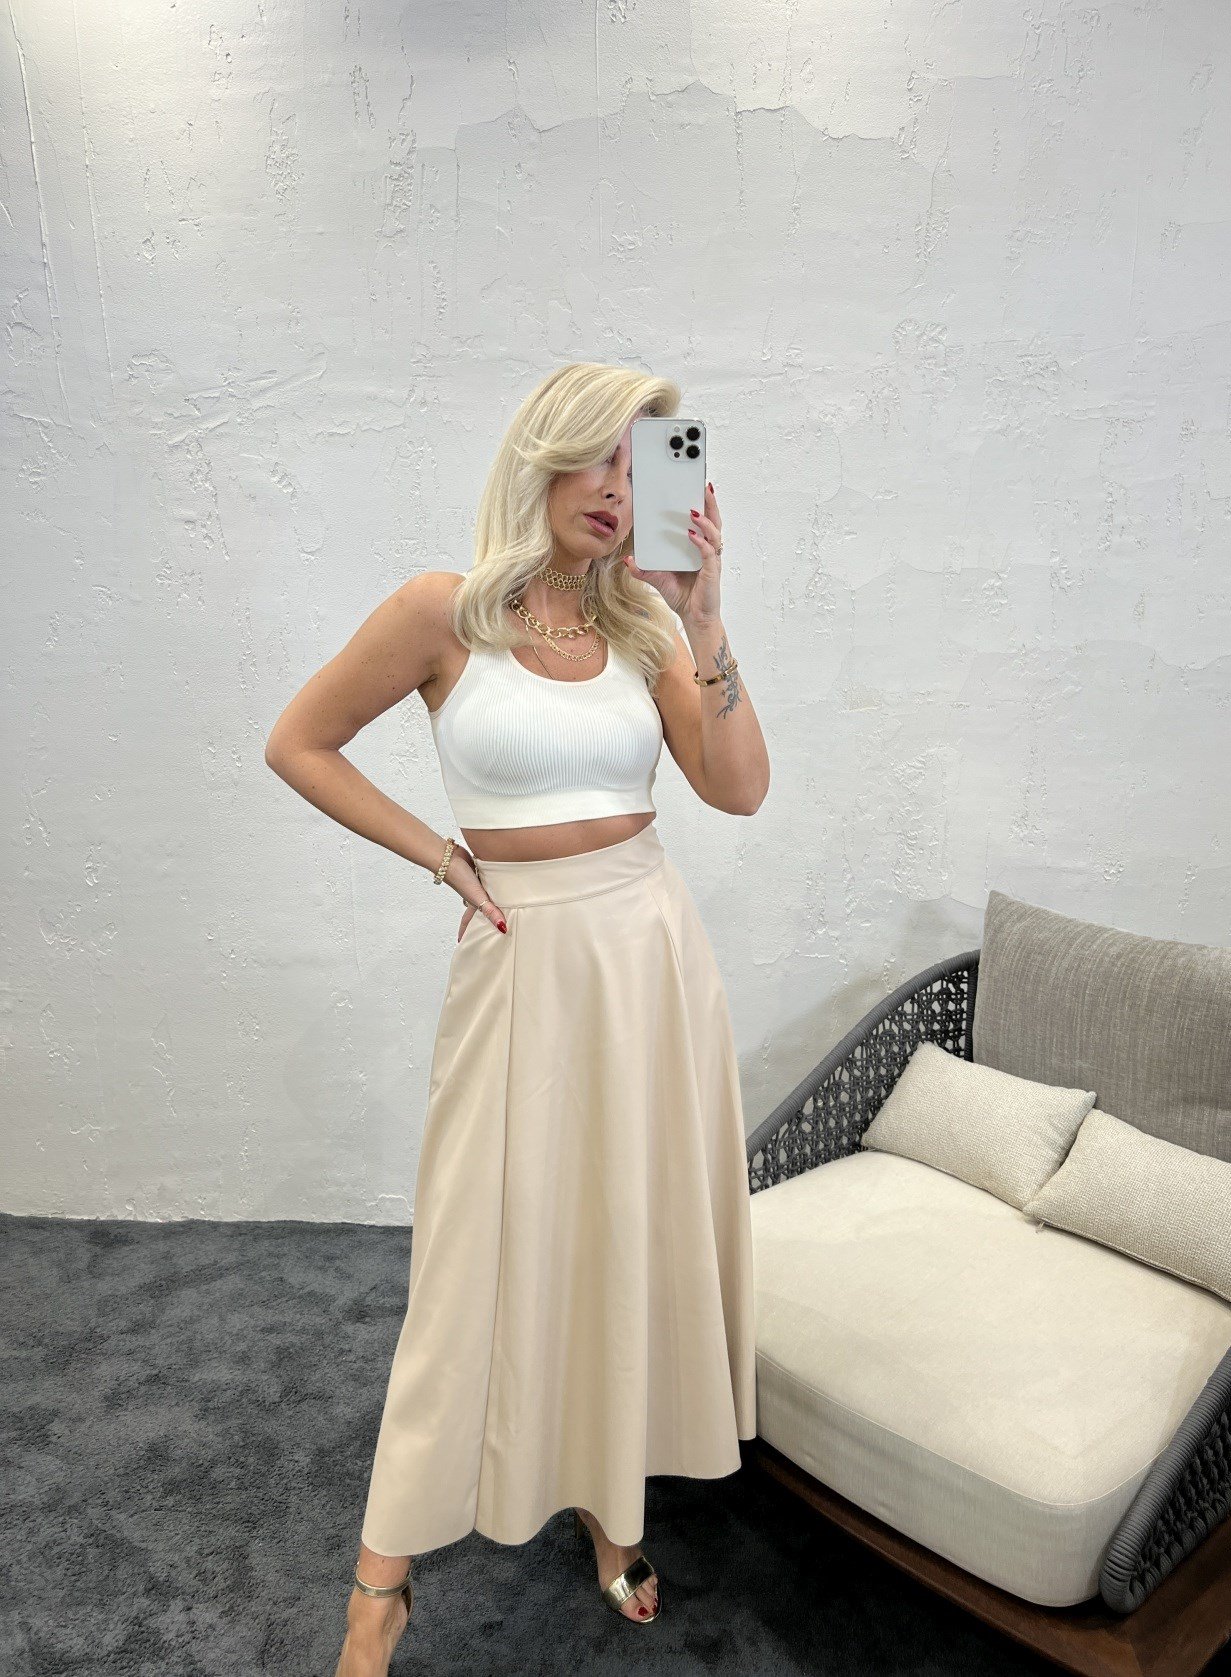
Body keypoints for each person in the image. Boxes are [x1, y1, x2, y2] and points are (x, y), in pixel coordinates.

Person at [264, 362, 771, 1677]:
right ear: (540, 457)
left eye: (639, 469)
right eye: (597, 458)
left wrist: (705, 616)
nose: (616, 490)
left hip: (649, 954)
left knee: (622, 1234)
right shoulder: (442, 612)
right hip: (521, 956)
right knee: (473, 1258)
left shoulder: (647, 632)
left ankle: (611, 1510)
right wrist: (444, 857)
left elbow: (737, 788)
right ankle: (381, 1584)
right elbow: (299, 742)